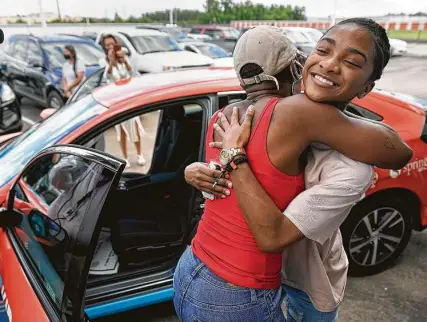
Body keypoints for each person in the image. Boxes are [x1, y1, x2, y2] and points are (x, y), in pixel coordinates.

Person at [176, 20, 413, 322]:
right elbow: (399, 150)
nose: (328, 65)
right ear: (296, 67)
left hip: (193, 266)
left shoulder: (226, 114)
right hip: (237, 287)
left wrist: (223, 161)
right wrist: (212, 166)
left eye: (351, 61)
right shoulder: (298, 112)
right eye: (323, 51)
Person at [100, 34, 145, 167]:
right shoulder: (103, 61)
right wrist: (111, 62)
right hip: (116, 100)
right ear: (104, 47)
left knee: (134, 126)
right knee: (122, 130)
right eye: (108, 45)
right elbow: (107, 78)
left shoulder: (123, 58)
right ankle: (125, 157)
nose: (111, 47)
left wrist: (124, 61)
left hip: (129, 98)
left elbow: (134, 76)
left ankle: (140, 154)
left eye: (112, 44)